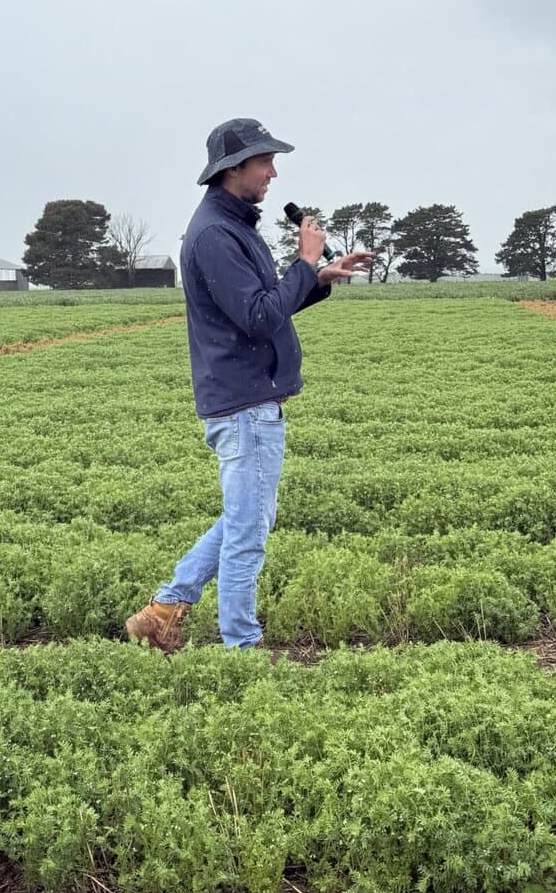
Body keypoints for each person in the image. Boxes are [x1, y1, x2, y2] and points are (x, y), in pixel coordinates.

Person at [126, 117, 373, 652]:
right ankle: (241, 646)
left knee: (247, 518)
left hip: (247, 400)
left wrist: (317, 277)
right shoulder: (216, 233)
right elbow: (260, 316)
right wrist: (305, 262)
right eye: (265, 162)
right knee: (248, 533)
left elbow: (264, 304)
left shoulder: (232, 226)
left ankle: (165, 609)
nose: (273, 173)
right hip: (244, 403)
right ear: (234, 169)